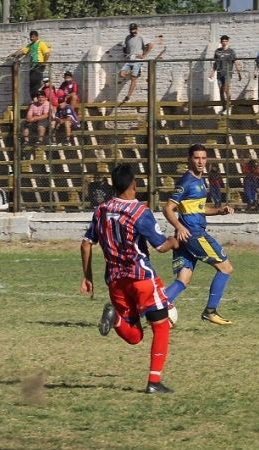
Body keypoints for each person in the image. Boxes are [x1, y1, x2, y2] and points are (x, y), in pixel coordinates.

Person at [80, 163, 179, 394]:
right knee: (161, 326)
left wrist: (87, 277)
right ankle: (154, 382)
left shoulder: (101, 210)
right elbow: (162, 246)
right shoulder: (140, 211)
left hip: (115, 281)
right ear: (134, 184)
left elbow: (86, 244)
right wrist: (176, 241)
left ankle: (114, 319)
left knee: (135, 336)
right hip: (141, 277)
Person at [162, 144, 235, 326]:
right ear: (189, 159)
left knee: (183, 280)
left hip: (186, 237)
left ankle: (151, 307)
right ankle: (210, 311)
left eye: (203, 158)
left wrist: (219, 211)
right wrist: (179, 226)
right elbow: (168, 209)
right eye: (196, 158)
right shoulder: (186, 182)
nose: (200, 162)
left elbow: (198, 209)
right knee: (226, 269)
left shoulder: (201, 181)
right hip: (194, 235)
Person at [119, 23, 153, 102]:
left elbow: (150, 45)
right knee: (121, 74)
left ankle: (128, 96)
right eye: (131, 29)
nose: (133, 31)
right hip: (129, 60)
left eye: (134, 29)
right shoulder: (127, 38)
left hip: (137, 61)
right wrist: (125, 53)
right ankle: (135, 72)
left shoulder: (141, 37)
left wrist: (144, 55)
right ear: (129, 30)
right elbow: (126, 47)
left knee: (133, 78)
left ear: (137, 29)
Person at [12, 30, 51, 99]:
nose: (31, 38)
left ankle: (37, 98)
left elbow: (47, 53)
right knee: (32, 82)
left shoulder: (41, 43)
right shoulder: (30, 45)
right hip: (32, 67)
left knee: (36, 81)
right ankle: (34, 99)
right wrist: (14, 54)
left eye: (33, 37)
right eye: (31, 37)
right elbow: (23, 51)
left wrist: (43, 63)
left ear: (37, 37)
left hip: (38, 65)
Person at [210, 35, 242, 115]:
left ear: (228, 42)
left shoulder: (231, 51)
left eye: (225, 41)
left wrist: (239, 73)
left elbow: (235, 62)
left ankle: (229, 106)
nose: (224, 42)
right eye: (223, 41)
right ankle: (224, 108)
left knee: (226, 89)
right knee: (221, 91)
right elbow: (215, 63)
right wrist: (212, 72)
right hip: (219, 73)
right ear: (221, 42)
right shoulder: (217, 51)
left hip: (227, 73)